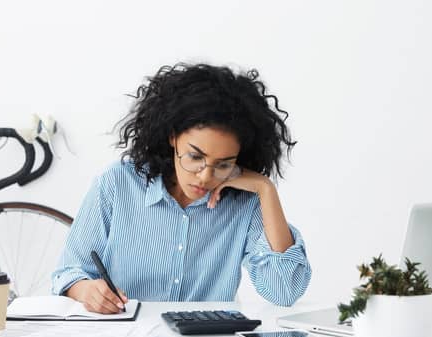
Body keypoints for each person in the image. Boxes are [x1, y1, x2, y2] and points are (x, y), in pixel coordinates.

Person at [51, 63, 311, 314]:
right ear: (173, 137)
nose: (205, 177)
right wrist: (87, 291)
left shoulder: (245, 201)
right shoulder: (117, 184)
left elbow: (284, 291)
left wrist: (266, 189)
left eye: (223, 164)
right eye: (195, 157)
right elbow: (68, 272)